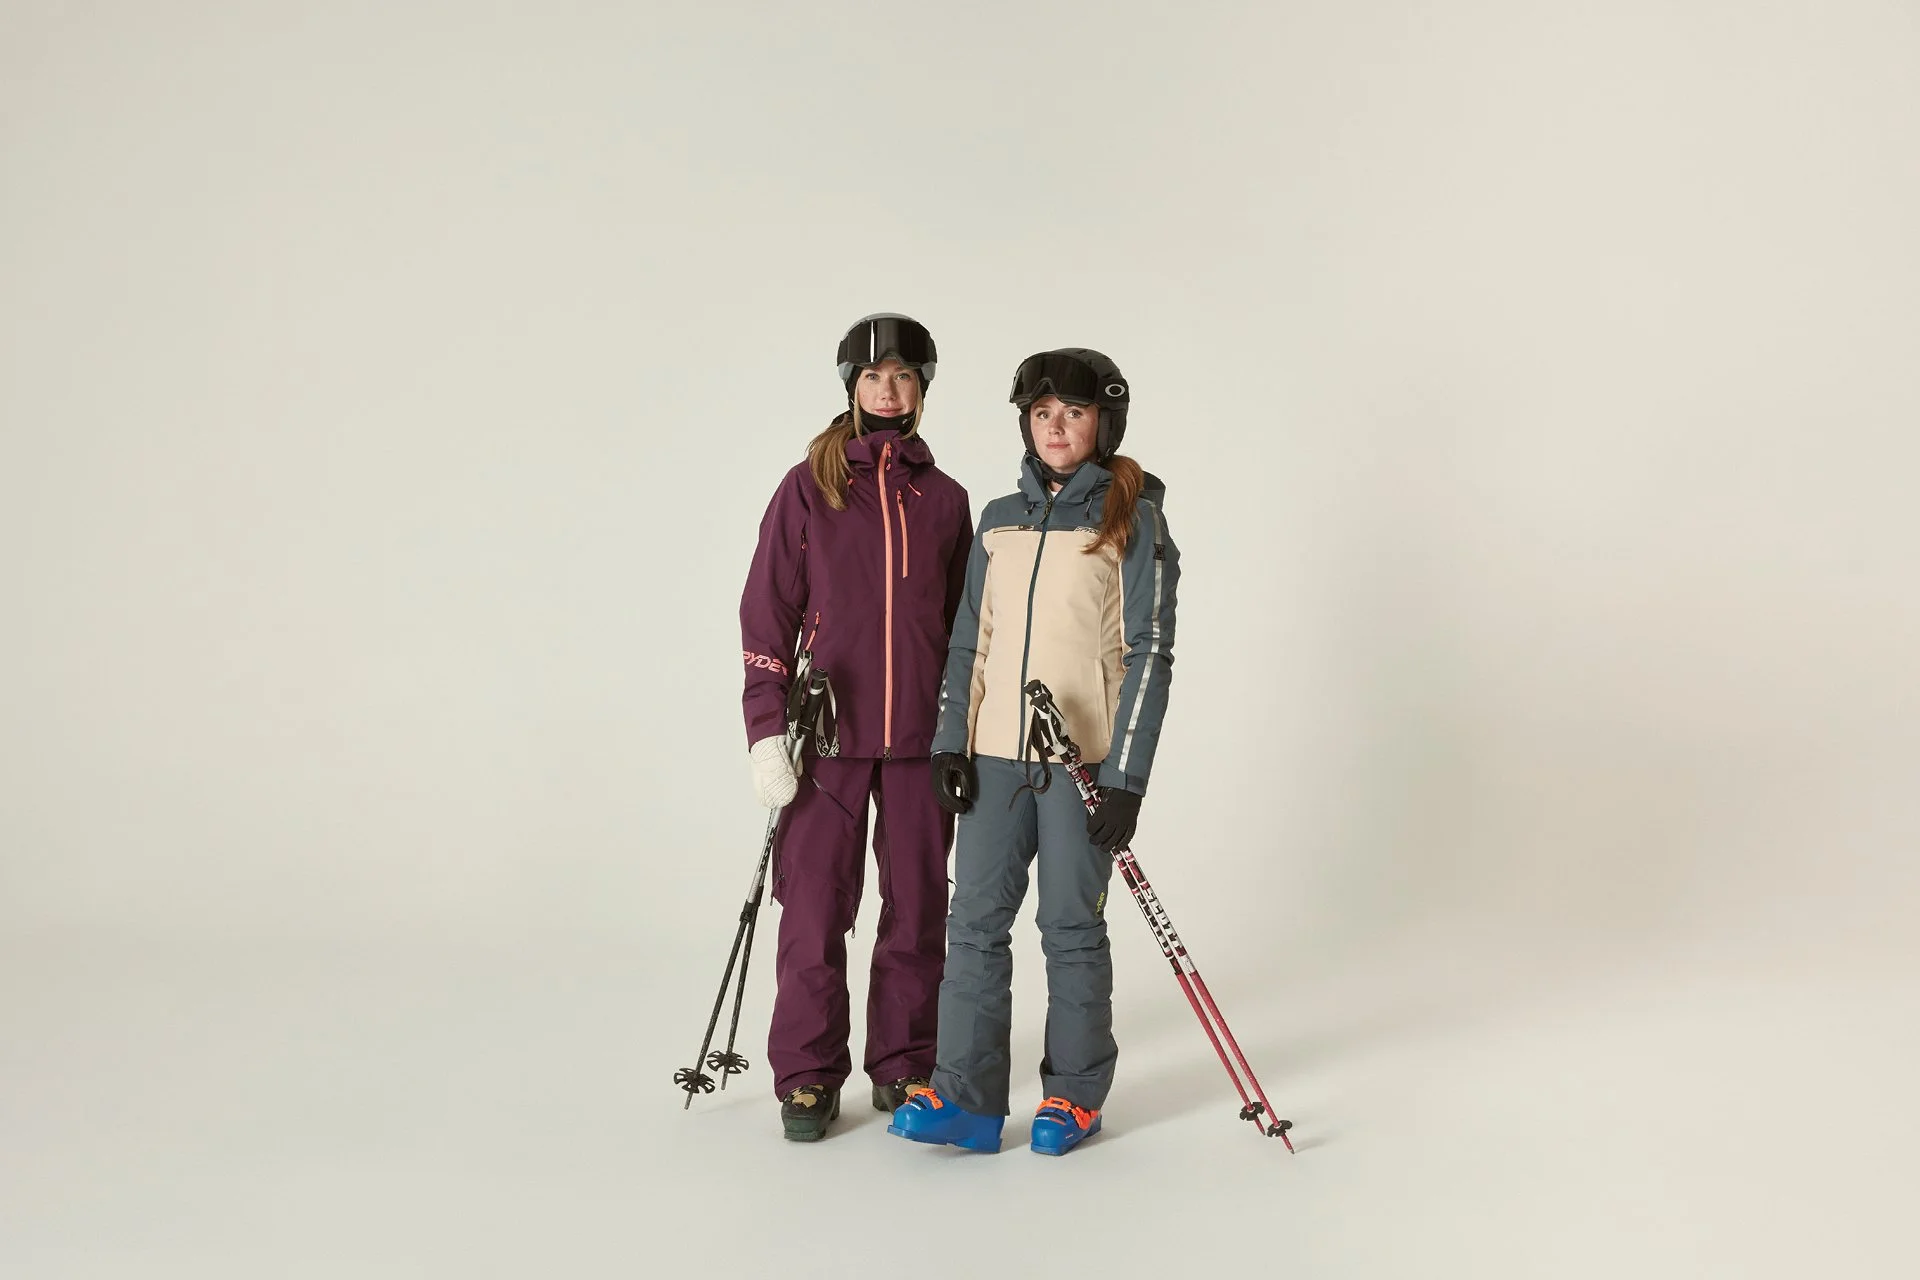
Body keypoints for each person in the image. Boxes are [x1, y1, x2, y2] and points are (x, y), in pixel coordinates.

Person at [887, 348, 1177, 1156]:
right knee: (973, 924)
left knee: (1068, 927)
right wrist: (952, 740)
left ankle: (1074, 1095)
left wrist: (1126, 778)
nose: (1057, 427)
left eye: (1074, 413)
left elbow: (1151, 652)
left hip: (1081, 766)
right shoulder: (998, 520)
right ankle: (967, 1100)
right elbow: (967, 643)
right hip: (992, 759)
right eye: (1043, 412)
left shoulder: (1135, 519)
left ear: (1102, 424)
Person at [738, 313, 974, 1141]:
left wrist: (962, 732)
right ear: (851, 386)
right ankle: (807, 1074)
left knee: (916, 908)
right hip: (826, 739)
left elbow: (964, 625)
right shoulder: (808, 486)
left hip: (917, 744)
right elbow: (767, 611)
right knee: (811, 907)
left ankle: (906, 1063)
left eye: (906, 376)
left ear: (921, 392)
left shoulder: (945, 499)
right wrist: (767, 730)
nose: (889, 388)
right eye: (875, 376)